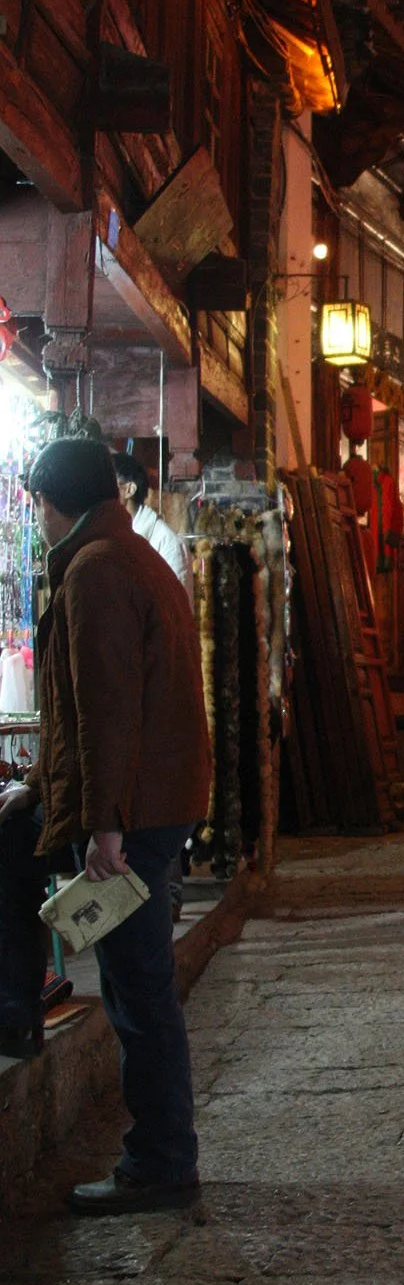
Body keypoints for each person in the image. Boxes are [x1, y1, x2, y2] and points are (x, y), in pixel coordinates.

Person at [0, 439, 212, 1215]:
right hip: (154, 801)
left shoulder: (96, 572)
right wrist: (41, 787)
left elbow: (109, 714)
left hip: (138, 811)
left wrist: (105, 830)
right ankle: (18, 1014)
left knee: (137, 989)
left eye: (37, 505)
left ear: (55, 503)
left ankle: (159, 1162)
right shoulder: (128, 557)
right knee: (132, 980)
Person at [112, 453, 191, 595]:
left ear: (129, 490)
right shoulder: (112, 537)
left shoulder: (167, 544)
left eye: (109, 483)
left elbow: (177, 611)